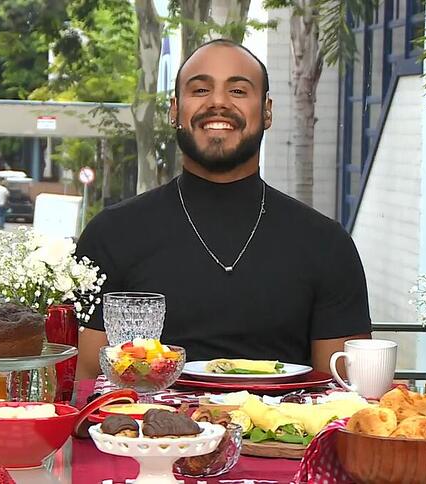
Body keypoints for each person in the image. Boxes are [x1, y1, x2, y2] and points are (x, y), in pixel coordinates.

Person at [76, 39, 371, 380]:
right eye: (200, 89)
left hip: (285, 431)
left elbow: (341, 393)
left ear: (267, 111)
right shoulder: (112, 234)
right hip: (144, 430)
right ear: (174, 111)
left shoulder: (325, 243)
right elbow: (88, 386)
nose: (217, 102)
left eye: (238, 91)